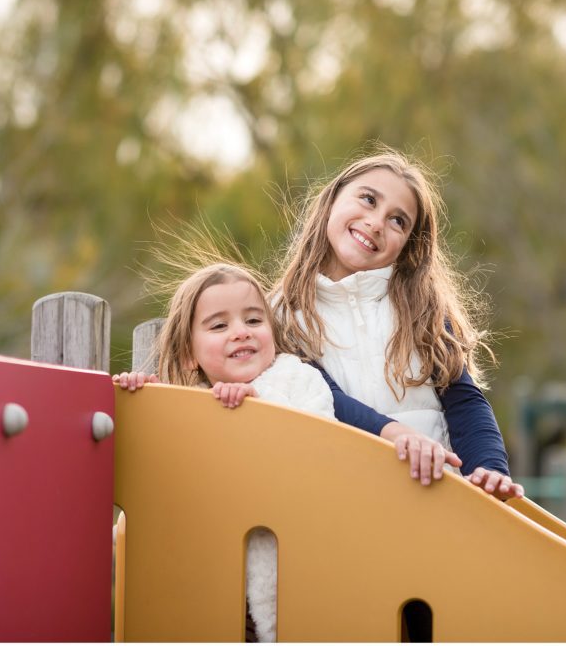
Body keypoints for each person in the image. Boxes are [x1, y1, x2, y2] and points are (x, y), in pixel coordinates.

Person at [113, 261, 461, 642]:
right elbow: (162, 472)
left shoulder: (296, 377)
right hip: (217, 580)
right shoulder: (188, 406)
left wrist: (257, 408)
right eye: (219, 325)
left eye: (253, 320)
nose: (240, 333)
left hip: (295, 567)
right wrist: (141, 401)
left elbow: (316, 445)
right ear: (187, 356)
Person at [273, 149, 524, 504]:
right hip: (340, 501)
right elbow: (325, 397)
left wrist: (489, 468)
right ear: (332, 198)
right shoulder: (282, 317)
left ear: (408, 246)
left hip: (428, 503)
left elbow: (465, 401)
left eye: (398, 221)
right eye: (368, 199)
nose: (376, 222)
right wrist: (395, 434)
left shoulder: (422, 311)